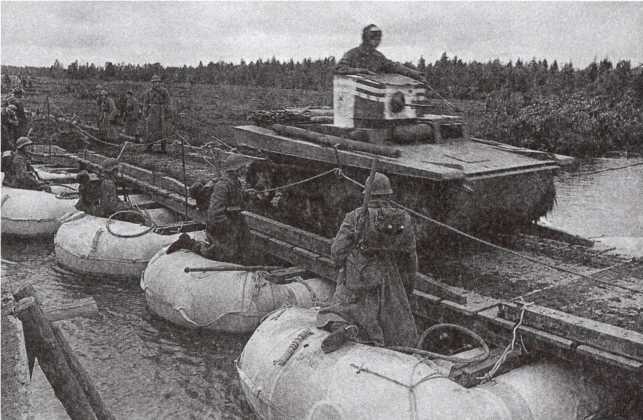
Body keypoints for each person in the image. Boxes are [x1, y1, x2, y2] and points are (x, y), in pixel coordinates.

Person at [316, 172, 418, 353]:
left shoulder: (355, 217)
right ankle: (395, 349)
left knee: (334, 312)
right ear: (388, 194)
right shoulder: (405, 219)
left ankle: (345, 329)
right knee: (397, 324)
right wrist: (408, 286)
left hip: (360, 275)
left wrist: (341, 268)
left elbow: (337, 251)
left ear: (367, 194)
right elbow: (411, 257)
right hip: (390, 276)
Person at [166, 154, 249, 263]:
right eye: (244, 167)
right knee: (220, 255)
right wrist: (230, 227)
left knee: (244, 250)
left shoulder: (235, 182)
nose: (246, 169)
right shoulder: (222, 186)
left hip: (232, 221)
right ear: (237, 169)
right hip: (220, 226)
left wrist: (248, 195)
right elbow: (215, 214)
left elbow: (235, 200)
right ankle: (188, 243)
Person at [335, 24, 425, 82]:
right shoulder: (352, 54)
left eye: (378, 39)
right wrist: (361, 71)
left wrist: (415, 74)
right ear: (366, 38)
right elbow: (339, 69)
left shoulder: (378, 57)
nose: (377, 41)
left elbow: (393, 66)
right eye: (373, 38)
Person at [142, 74, 171, 153]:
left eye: (157, 82)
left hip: (161, 112)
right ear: (152, 83)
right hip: (152, 112)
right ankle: (149, 146)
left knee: (163, 130)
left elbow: (168, 102)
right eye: (154, 82)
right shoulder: (149, 92)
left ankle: (163, 148)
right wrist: (145, 113)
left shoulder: (164, 91)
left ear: (160, 82)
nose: (156, 84)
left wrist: (166, 111)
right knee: (150, 129)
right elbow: (145, 103)